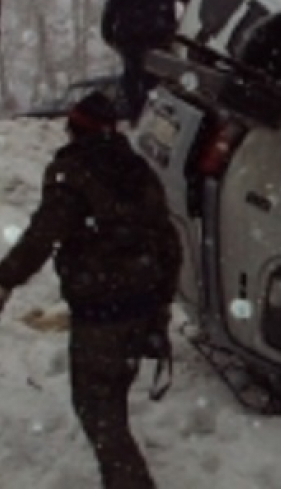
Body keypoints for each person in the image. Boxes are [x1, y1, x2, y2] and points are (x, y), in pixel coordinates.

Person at [0, 92, 182, 489]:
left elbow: (42, 236)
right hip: (141, 306)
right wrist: (161, 304)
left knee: (97, 407)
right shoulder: (138, 170)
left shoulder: (73, 172)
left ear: (74, 127)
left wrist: (5, 278)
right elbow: (169, 241)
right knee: (112, 399)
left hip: (102, 310)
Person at [101, 0, 193, 122]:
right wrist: (181, 28)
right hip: (158, 39)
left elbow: (112, 6)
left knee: (132, 77)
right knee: (156, 79)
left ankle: (135, 113)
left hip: (131, 38)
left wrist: (108, 32)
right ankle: (153, 115)